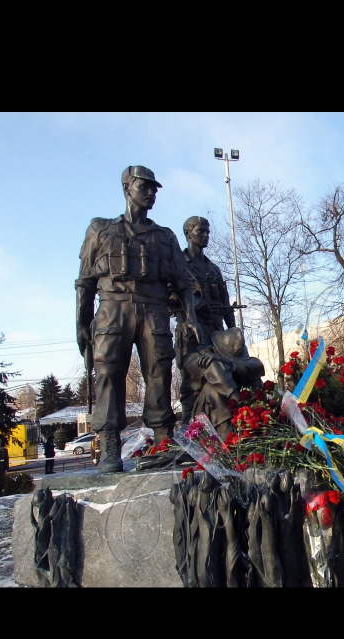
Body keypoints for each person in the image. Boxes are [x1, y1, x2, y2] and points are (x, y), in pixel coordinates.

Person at [75, 166, 203, 473]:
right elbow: (85, 281)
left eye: (155, 189)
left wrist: (190, 318)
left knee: (158, 372)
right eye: (145, 187)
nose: (152, 193)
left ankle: (162, 443)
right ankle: (109, 448)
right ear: (127, 188)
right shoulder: (101, 229)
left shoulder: (164, 236)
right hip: (112, 310)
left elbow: (183, 281)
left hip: (153, 310)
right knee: (108, 374)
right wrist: (81, 322)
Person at [172, 216, 245, 424]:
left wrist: (236, 334)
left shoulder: (213, 269)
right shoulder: (179, 266)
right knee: (193, 384)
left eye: (208, 232)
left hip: (217, 336)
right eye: (200, 231)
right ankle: (191, 426)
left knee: (228, 374)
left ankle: (234, 419)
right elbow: (169, 297)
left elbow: (226, 306)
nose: (205, 235)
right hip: (192, 338)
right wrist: (194, 302)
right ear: (188, 234)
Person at [184, 328, 265, 440]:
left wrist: (229, 362)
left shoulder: (230, 359)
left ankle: (258, 427)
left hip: (232, 408)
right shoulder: (197, 357)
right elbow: (211, 367)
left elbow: (258, 366)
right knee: (213, 385)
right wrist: (237, 402)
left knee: (254, 379)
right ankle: (231, 429)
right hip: (204, 415)